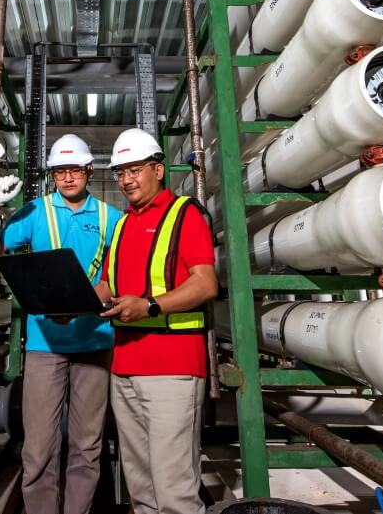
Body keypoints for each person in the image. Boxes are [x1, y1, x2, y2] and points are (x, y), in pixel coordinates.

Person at [95, 127, 218, 514]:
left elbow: (205, 284)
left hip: (173, 368)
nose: (126, 180)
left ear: (158, 169)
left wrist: (149, 306)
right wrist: (69, 302)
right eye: (120, 172)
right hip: (124, 367)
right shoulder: (121, 224)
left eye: (134, 170)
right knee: (140, 484)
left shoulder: (186, 214)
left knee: (174, 488)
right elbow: (106, 284)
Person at [0, 134, 122, 514]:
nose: (67, 178)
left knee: (87, 446)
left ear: (89, 170)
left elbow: (120, 277)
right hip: (44, 344)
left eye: (74, 170)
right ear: (52, 174)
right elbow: (0, 253)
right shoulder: (34, 212)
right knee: (38, 448)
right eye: (60, 171)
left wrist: (86, 303)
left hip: (95, 341)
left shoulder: (111, 218)